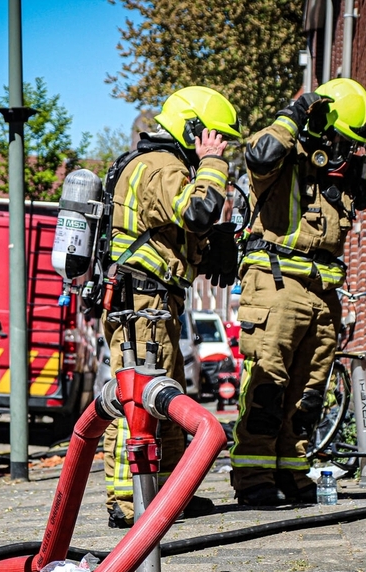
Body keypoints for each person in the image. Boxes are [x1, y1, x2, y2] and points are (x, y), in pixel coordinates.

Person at [230, 78, 366, 507]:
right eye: (340, 138)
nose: (344, 150)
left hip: (323, 288)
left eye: (352, 143)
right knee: (269, 381)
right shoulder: (284, 154)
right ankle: (253, 476)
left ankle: (292, 470)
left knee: (309, 391)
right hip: (275, 281)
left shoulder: (345, 165)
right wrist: (295, 113)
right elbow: (260, 153)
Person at [102, 85, 242, 528]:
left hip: (155, 302)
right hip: (141, 304)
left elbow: (178, 237)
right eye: (213, 137)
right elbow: (196, 210)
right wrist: (213, 165)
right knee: (139, 396)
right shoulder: (159, 166)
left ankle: (167, 493)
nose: (218, 147)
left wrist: (215, 243)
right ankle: (128, 498)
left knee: (167, 399)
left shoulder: (159, 166)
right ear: (193, 128)